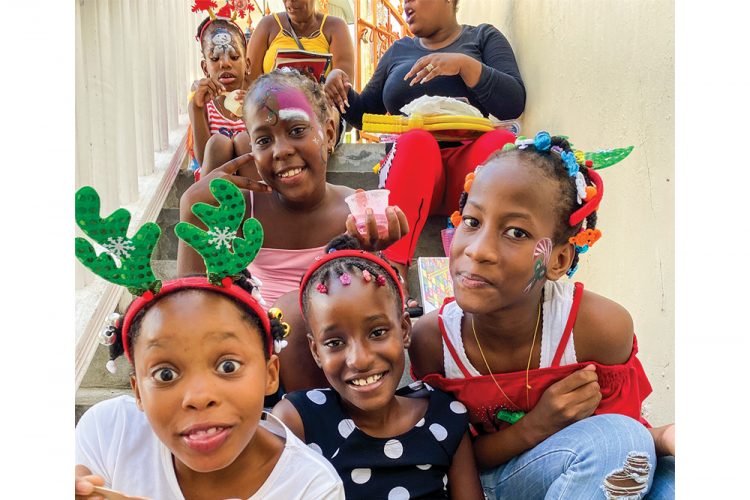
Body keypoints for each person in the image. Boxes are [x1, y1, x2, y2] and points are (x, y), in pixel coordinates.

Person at [408, 132, 675, 499]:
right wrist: (537, 425)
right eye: (472, 221)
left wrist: (663, 437)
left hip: (577, 475)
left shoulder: (596, 328)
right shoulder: (433, 340)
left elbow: (622, 446)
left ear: (559, 259)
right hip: (482, 485)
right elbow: (445, 459)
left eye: (516, 232)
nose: (478, 250)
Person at [73, 183, 345, 499]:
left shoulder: (310, 488)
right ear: (137, 392)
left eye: (227, 366)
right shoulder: (109, 433)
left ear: (271, 374)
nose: (199, 397)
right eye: (165, 374)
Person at [178, 70, 409, 390]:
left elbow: (374, 312)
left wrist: (373, 255)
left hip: (335, 373)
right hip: (257, 370)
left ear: (328, 133)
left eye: (297, 130)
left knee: (294, 310)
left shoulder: (352, 210)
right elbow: (189, 305)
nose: (281, 150)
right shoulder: (244, 211)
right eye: (263, 140)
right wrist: (190, 208)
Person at [325, 0, 525, 302]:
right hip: (413, 173)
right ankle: (394, 273)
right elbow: (364, 112)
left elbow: (513, 102)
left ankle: (484, 266)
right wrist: (337, 85)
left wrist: (464, 65)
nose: (407, 4)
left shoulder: (482, 38)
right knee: (417, 141)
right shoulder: (398, 51)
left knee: (498, 145)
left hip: (468, 173)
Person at [272, 235, 485, 499]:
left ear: (405, 329)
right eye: (335, 342)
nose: (360, 360)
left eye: (377, 333)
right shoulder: (298, 422)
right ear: (316, 351)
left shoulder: (444, 416)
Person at [189, 16, 254, 179]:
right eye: (215, 58)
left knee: (245, 140)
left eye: (234, 57)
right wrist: (196, 109)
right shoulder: (202, 104)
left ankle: (260, 202)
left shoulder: (256, 100)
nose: (225, 64)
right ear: (205, 68)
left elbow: (268, 148)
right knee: (218, 143)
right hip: (213, 186)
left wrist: (251, 113)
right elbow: (203, 160)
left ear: (247, 65)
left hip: (253, 182)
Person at [246, 0, 354, 85]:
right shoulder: (267, 25)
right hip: (271, 110)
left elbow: (344, 84)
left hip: (318, 110)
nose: (290, 1)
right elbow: (250, 82)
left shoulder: (336, 27)